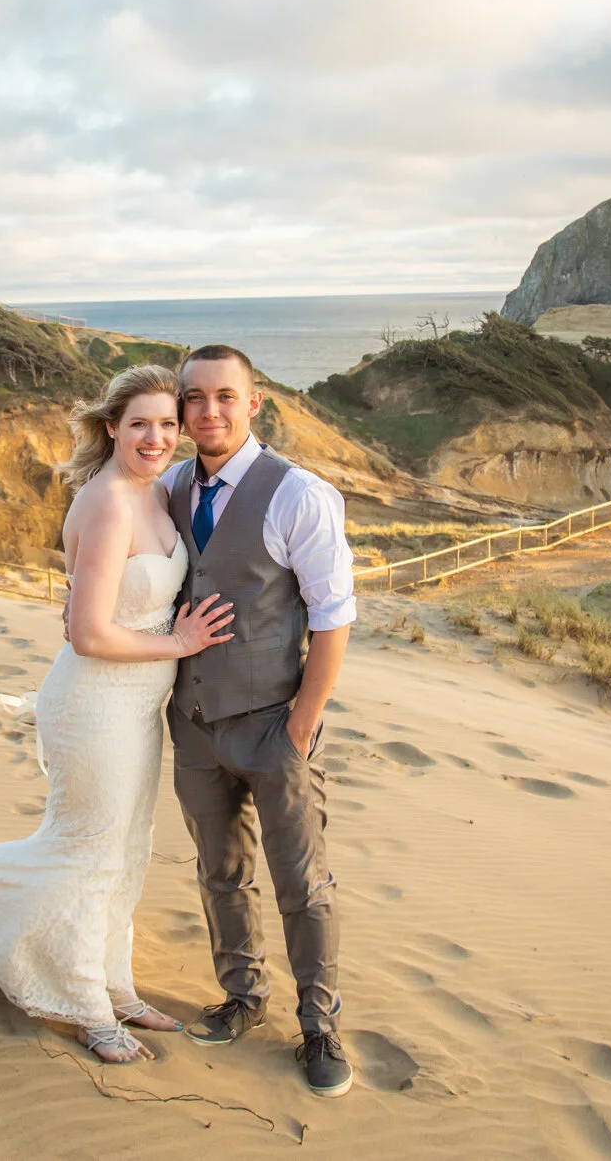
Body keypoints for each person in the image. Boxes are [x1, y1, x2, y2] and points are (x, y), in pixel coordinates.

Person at [0, 365, 235, 1063]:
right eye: (140, 423)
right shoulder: (110, 502)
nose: (157, 436)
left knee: (125, 849)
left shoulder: (158, 494)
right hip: (94, 703)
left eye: (168, 424)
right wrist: (177, 640)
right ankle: (86, 1004)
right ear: (111, 426)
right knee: (89, 849)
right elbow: (86, 632)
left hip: (139, 707)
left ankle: (115, 982)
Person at [165, 344, 357, 1098]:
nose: (208, 410)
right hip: (196, 724)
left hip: (276, 725)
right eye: (194, 398)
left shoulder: (298, 494)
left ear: (254, 403)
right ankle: (243, 995)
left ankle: (320, 1027)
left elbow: (334, 617)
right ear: (181, 409)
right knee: (221, 874)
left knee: (302, 884)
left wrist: (302, 724)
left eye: (224, 396)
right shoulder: (174, 484)